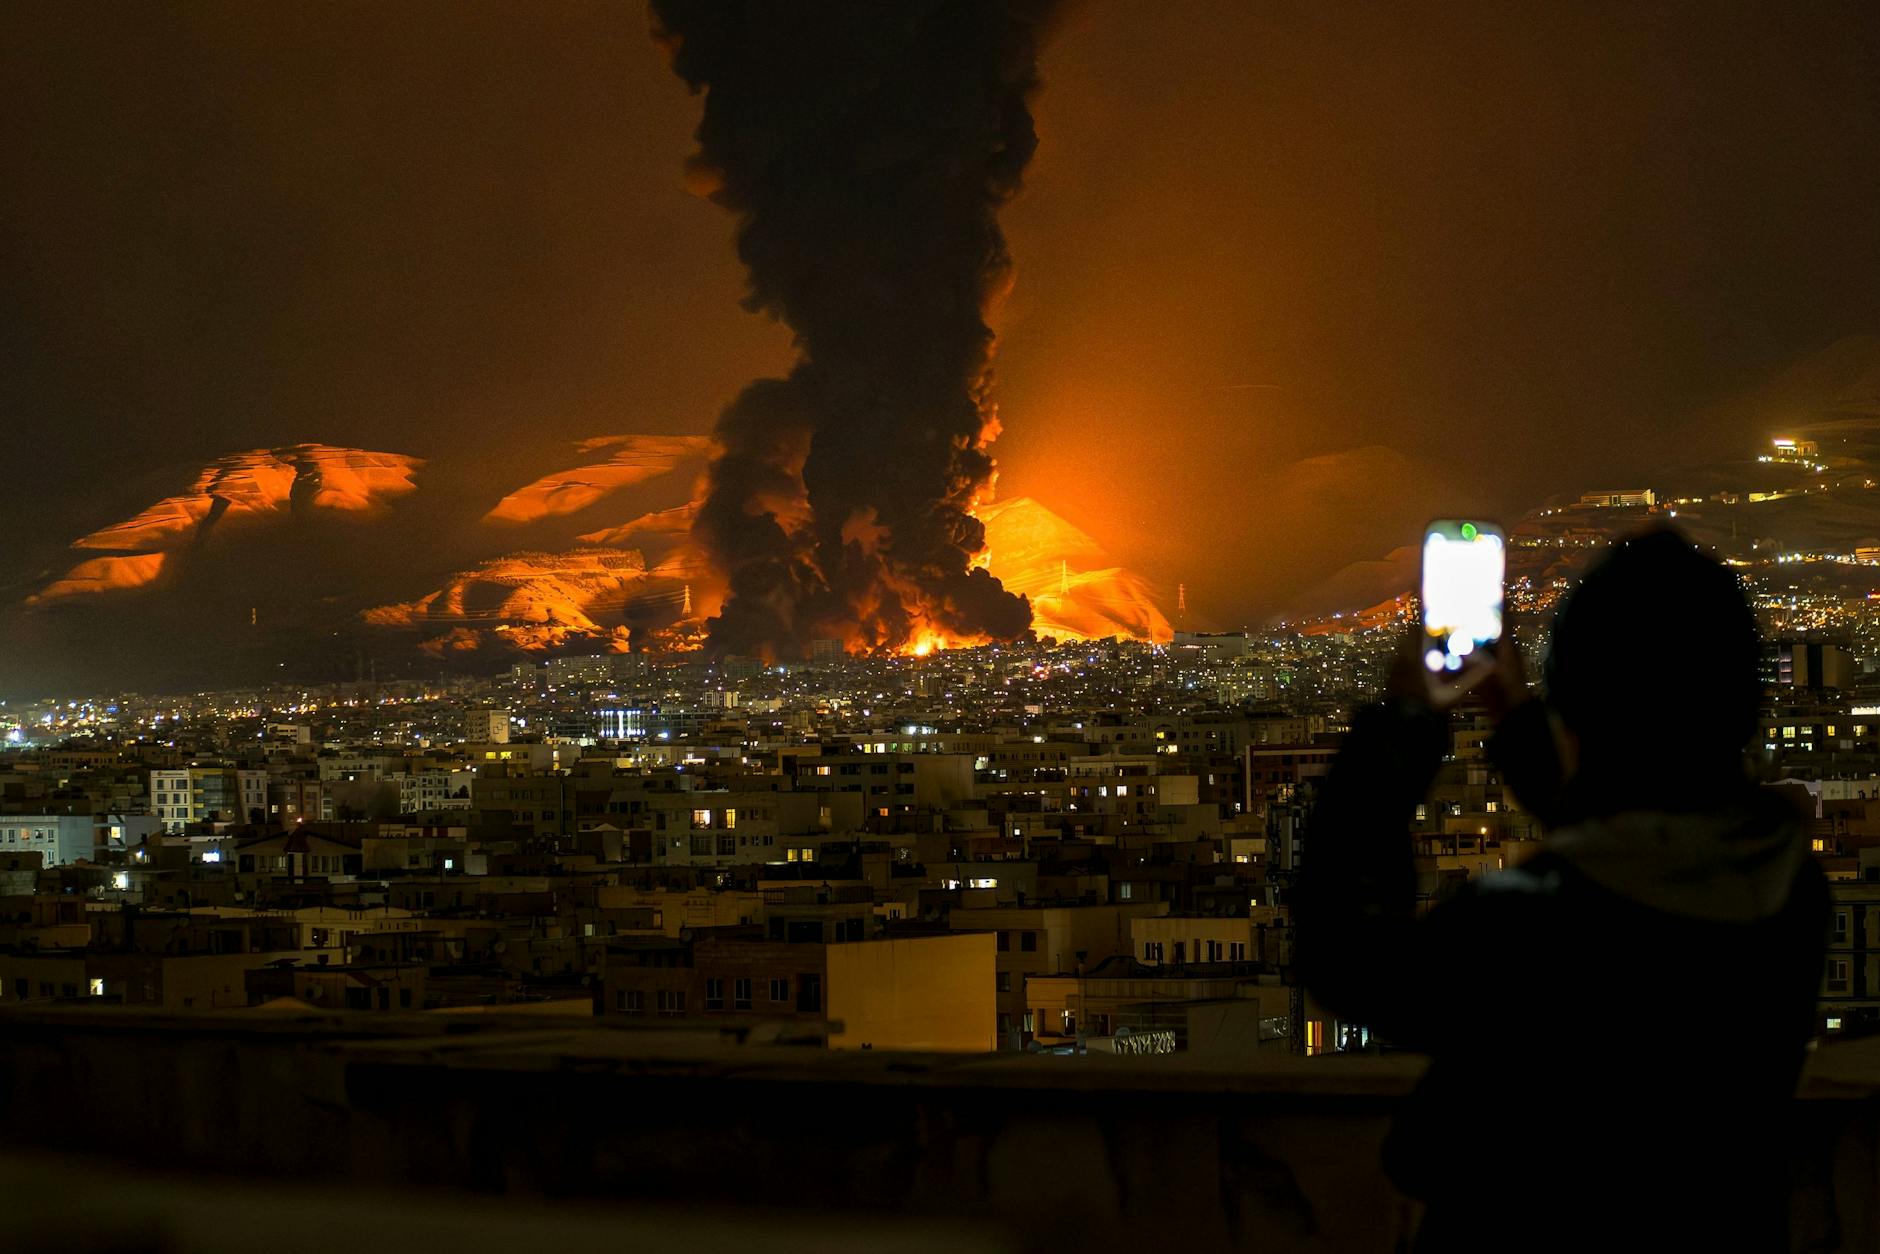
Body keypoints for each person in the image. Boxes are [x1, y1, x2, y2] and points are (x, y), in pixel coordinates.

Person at [1293, 528, 1828, 1252]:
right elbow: (1641, 842)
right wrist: (1516, 721)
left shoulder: (1526, 928)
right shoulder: (1788, 891)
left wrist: (1403, 727)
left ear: (1580, 710)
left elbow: (1343, 952)